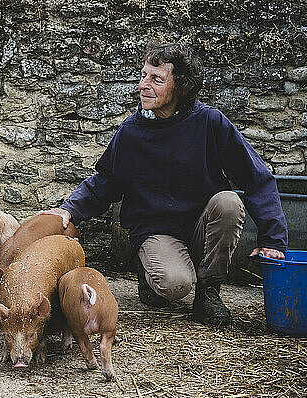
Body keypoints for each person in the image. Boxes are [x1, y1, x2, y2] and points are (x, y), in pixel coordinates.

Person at [41, 43, 287, 326]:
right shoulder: (131, 132)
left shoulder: (209, 122)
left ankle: (209, 291)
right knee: (175, 286)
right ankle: (149, 276)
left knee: (229, 202)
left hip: (199, 225)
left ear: (180, 88)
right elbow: (106, 181)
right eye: (144, 75)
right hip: (156, 229)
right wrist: (68, 210)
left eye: (156, 79)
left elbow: (255, 176)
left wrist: (272, 240)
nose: (143, 85)